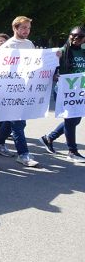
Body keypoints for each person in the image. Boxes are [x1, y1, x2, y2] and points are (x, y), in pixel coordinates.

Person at [0, 17, 39, 167]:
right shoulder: (7, 46)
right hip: (11, 90)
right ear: (15, 28)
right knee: (18, 122)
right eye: (23, 28)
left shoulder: (30, 44)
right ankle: (23, 155)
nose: (26, 31)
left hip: (24, 89)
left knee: (11, 119)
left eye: (28, 28)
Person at [40, 26, 85, 162]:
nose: (76, 38)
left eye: (80, 36)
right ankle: (72, 151)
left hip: (79, 91)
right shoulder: (61, 51)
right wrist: (55, 76)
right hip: (63, 90)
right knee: (70, 119)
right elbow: (50, 69)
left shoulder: (83, 52)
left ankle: (49, 138)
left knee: (75, 120)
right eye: (73, 35)